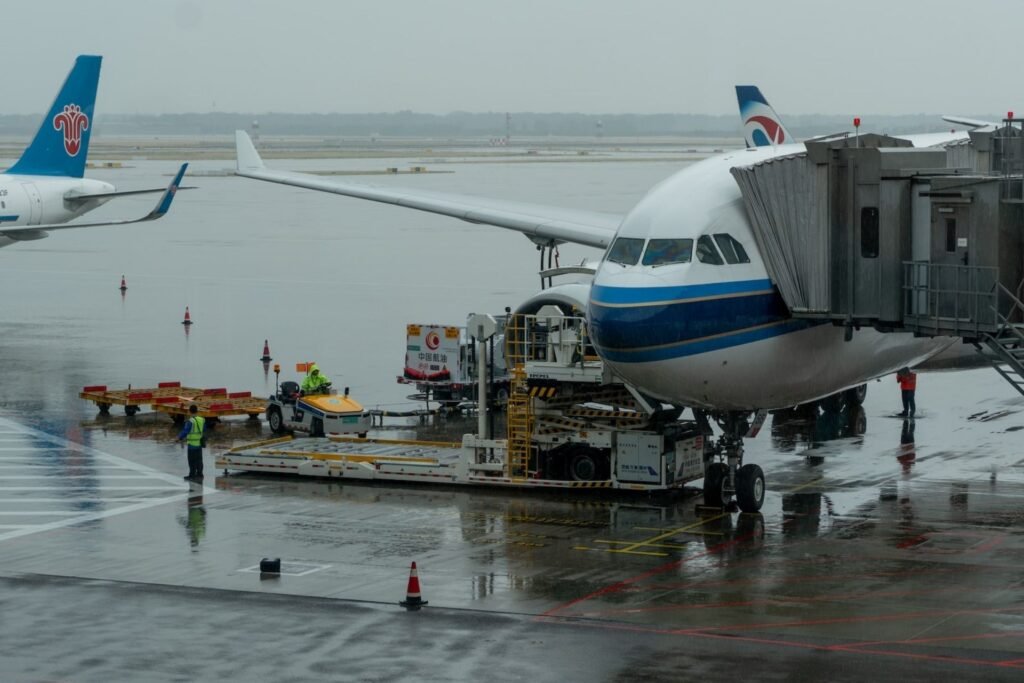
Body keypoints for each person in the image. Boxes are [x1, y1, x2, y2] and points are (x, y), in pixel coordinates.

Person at [177, 404, 206, 480]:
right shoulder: (202, 419)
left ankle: (192, 475)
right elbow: (204, 429)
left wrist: (179, 437)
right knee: (199, 460)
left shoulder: (190, 421)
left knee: (192, 461)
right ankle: (200, 474)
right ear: (197, 411)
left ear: (190, 411)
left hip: (192, 444)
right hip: (199, 443)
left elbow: (185, 431)